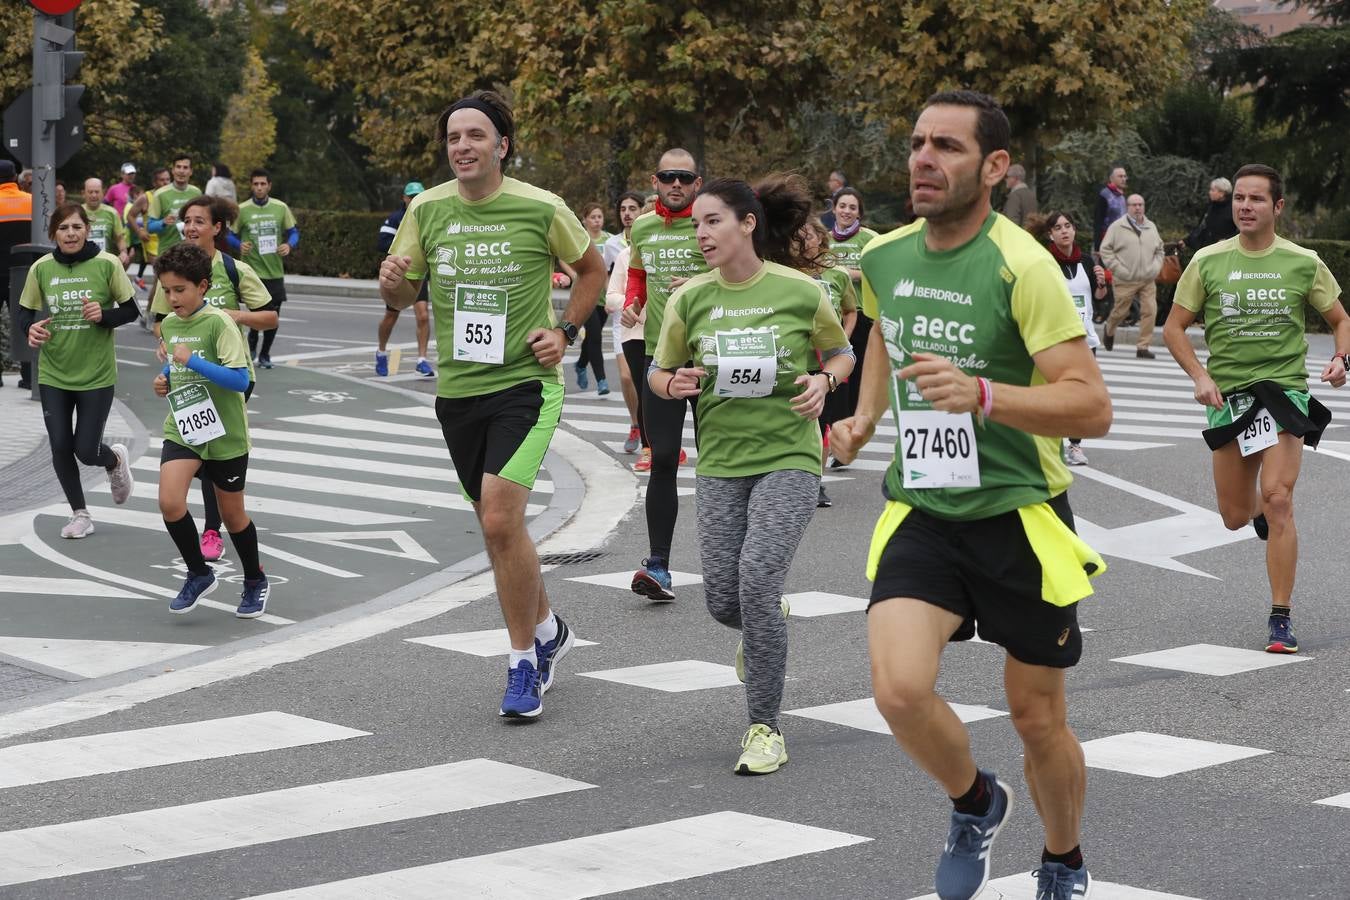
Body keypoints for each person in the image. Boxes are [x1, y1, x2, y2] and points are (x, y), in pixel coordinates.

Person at [830, 89, 1111, 900]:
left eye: (947, 147)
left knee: (1036, 719)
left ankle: (1063, 859)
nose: (923, 159)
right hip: (926, 507)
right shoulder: (883, 256)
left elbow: (1090, 402)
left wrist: (984, 395)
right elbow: (887, 329)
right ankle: (976, 802)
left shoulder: (1022, 265)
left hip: (1019, 516)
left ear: (993, 166)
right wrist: (863, 417)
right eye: (917, 142)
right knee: (898, 689)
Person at [381, 90, 606, 719]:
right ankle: (550, 629)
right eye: (454, 138)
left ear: (501, 145)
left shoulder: (541, 207)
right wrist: (393, 286)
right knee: (496, 530)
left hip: (524, 388)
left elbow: (592, 272)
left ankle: (522, 663)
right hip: (457, 393)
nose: (463, 147)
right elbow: (400, 299)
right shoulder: (426, 210)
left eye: (476, 136)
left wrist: (566, 332)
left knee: (503, 522)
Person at [652, 174, 853, 775]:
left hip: (790, 456)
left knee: (757, 581)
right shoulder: (689, 298)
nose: (702, 233)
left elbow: (842, 351)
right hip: (720, 462)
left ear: (747, 223)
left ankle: (765, 727)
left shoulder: (799, 291)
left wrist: (825, 381)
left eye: (712, 221)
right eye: (695, 226)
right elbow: (662, 372)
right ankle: (766, 620)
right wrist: (674, 383)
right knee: (723, 601)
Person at [1164, 163, 1348, 655]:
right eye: (1239, 198)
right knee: (1233, 515)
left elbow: (1340, 318)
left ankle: (1280, 618)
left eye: (1256, 199)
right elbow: (1174, 328)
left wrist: (1339, 358)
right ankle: (1258, 515)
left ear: (1277, 207)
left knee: (1280, 497)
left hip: (1283, 392)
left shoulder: (1303, 261)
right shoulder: (1207, 261)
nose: (1245, 206)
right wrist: (1200, 377)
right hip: (1230, 398)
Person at [151, 196, 278, 564]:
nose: (191, 228)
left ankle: (213, 526)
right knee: (196, 445)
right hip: (187, 378)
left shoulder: (234, 270)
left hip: (230, 374)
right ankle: (207, 536)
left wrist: (232, 316)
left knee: (214, 449)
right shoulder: (174, 271)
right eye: (186, 221)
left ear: (217, 227)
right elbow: (164, 323)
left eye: (199, 221)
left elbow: (269, 317)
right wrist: (167, 355)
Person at [18, 202, 139, 537]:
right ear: (53, 233)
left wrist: (105, 315)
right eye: (63, 228)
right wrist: (30, 328)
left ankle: (113, 461)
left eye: (76, 227)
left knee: (86, 450)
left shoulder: (107, 264)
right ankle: (80, 514)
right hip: (54, 373)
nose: (70, 234)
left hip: (96, 374)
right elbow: (24, 312)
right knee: (59, 445)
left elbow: (131, 310)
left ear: (87, 229)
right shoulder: (41, 268)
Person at [620, 149, 709, 600]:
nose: (676, 184)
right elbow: (638, 275)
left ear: (697, 182)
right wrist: (634, 301)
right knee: (662, 458)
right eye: (668, 177)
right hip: (662, 360)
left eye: (685, 177)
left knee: (719, 467)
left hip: (712, 361)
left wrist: (696, 284)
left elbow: (736, 273)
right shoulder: (644, 226)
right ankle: (658, 566)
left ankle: (732, 564)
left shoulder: (709, 222)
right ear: (654, 181)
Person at [1038, 210, 1107, 467]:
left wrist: (1101, 285)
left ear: (1074, 230)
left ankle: (1075, 446)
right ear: (1051, 234)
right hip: (1056, 338)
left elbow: (1097, 301)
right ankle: (1049, 443)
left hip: (1084, 338)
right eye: (1058, 228)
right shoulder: (1045, 262)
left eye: (1068, 226)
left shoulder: (1087, 262)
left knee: (1082, 394)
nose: (1064, 231)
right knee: (1055, 392)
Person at [799, 217, 857, 507]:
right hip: (799, 358)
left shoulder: (838, 274)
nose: (803, 242)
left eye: (807, 236)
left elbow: (850, 311)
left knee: (821, 425)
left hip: (829, 362)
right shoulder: (789, 272)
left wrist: (841, 343)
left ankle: (816, 483)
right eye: (797, 237)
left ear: (820, 238)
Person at [230, 168, 298, 369]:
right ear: (251, 186)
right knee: (256, 313)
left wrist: (289, 245)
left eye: (263, 184)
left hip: (274, 272)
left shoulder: (280, 207)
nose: (259, 188)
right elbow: (228, 234)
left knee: (273, 316)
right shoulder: (242, 209)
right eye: (256, 184)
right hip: (251, 272)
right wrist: (238, 245)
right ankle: (251, 347)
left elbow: (293, 232)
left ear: (269, 186)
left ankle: (265, 354)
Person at [828, 187, 880, 426]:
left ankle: (852, 422)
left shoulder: (869, 238)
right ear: (834, 209)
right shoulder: (825, 239)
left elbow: (883, 269)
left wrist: (853, 274)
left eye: (852, 207)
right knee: (834, 375)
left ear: (859, 213)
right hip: (830, 316)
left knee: (857, 376)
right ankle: (837, 427)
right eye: (842, 206)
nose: (846, 211)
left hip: (860, 315)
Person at [375, 182, 433, 378]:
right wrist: (405, 246)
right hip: (399, 275)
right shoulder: (395, 218)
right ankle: (381, 352)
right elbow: (381, 241)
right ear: (404, 198)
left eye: (419, 195)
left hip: (420, 273)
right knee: (392, 316)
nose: (415, 199)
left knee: (423, 315)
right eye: (412, 196)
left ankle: (422, 360)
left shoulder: (427, 216)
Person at [603, 191, 647, 453]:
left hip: (650, 326)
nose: (627, 213)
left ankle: (655, 435)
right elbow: (603, 272)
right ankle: (635, 423)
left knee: (649, 383)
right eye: (623, 209)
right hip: (624, 324)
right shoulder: (614, 245)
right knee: (627, 377)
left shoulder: (655, 243)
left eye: (632, 208)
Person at [1100, 193, 1164, 359]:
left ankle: (1143, 347)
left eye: (1140, 205)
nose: (1138, 208)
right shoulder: (1117, 227)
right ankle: (1109, 329)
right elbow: (1105, 250)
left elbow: (1160, 249)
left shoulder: (1151, 226)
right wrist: (1118, 269)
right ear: (1127, 207)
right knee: (1120, 312)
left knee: (1150, 310)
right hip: (1124, 278)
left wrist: (1156, 267)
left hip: (1147, 279)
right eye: (1134, 205)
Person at [567, 202, 612, 395]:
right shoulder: (579, 238)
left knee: (592, 338)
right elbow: (564, 257)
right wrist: (573, 275)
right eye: (592, 217)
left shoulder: (609, 240)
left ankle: (580, 364)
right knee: (595, 335)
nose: (596, 221)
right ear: (584, 220)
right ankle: (602, 380)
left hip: (604, 297)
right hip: (585, 294)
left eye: (599, 217)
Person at [0, 159, 32, 389]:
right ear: (15, 177)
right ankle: (30, 377)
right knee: (26, 322)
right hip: (24, 272)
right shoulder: (31, 201)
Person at [147, 155, 202, 257]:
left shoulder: (196, 193)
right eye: (178, 167)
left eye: (185, 168)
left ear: (191, 171)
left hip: (191, 252)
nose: (181, 171)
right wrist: (163, 222)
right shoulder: (160, 194)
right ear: (173, 170)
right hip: (167, 252)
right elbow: (149, 227)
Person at [81, 177, 130, 265]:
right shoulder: (77, 211)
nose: (94, 195)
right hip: (82, 262)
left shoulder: (112, 213)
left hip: (105, 263)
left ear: (103, 193)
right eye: (90, 192)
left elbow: (119, 238)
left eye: (97, 192)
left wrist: (123, 252)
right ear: (83, 193)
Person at [1181, 177, 1238, 252]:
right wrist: (1186, 241)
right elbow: (1201, 228)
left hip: (1225, 252)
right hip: (1205, 251)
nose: (1209, 192)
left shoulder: (1234, 208)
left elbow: (1241, 232)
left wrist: (1226, 240)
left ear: (1222, 193)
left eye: (1213, 190)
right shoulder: (1210, 207)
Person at [1093, 165, 1127, 252]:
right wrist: (1097, 246)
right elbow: (1098, 221)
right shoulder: (1104, 195)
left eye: (1124, 176)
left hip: (1121, 242)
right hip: (1107, 243)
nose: (1123, 179)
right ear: (1111, 178)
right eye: (1120, 176)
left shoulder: (1122, 197)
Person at [1002, 163, 1037, 227]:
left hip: (1016, 235)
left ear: (1015, 178)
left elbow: (1012, 223)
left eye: (1007, 176)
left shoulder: (1015, 196)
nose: (1005, 179)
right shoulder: (1031, 195)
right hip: (1031, 235)